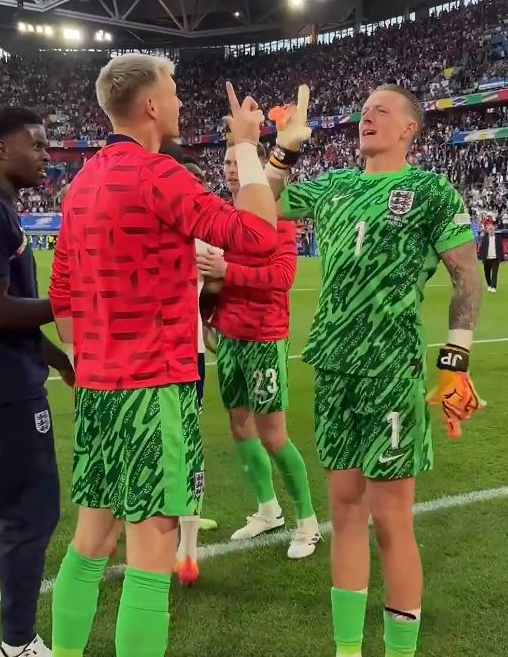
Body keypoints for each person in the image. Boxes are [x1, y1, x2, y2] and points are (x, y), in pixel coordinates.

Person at [48, 55, 278, 657]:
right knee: (152, 548)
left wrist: (88, 357)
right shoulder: (159, 175)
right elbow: (258, 233)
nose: (179, 102)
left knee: (91, 538)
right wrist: (249, 147)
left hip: (98, 389)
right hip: (155, 388)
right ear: (150, 105)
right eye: (173, 92)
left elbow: (62, 291)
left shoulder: (82, 183)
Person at [265, 84, 485, 656]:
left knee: (390, 520)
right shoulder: (335, 185)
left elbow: (466, 276)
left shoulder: (430, 190)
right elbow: (263, 205)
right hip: (334, 367)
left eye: (381, 111)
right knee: (343, 510)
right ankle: (346, 650)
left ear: (410, 128)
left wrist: (455, 359)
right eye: (362, 111)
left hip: (391, 368)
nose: (367, 118)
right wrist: (281, 149)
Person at [197, 143, 321, 559]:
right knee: (239, 426)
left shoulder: (276, 213)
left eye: (240, 162)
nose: (233, 170)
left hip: (265, 337)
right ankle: (268, 510)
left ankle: (307, 523)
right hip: (229, 337)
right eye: (228, 162)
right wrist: (209, 307)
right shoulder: (222, 217)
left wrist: (226, 272)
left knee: (273, 434)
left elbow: (284, 276)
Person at [0, 106, 74, 657]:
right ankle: (19, 644)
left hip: (9, 379)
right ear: (2, 148)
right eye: (37, 145)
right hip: (6, 397)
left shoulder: (4, 210)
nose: (47, 156)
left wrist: (60, 360)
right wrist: (71, 302)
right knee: (30, 512)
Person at [158, 142, 218, 587]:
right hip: (185, 351)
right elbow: (213, 284)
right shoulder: (200, 232)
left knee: (166, 447)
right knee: (183, 444)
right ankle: (186, 547)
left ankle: (180, 542)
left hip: (162, 353)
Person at [478, 221, 504, 292]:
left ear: (494, 230)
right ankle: (489, 285)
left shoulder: (498, 238)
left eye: (492, 229)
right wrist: (481, 258)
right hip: (487, 258)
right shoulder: (484, 238)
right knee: (487, 273)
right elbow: (482, 248)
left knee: (494, 273)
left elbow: (501, 248)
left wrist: (502, 258)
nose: (491, 231)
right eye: (489, 229)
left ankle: (493, 287)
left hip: (495, 258)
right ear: (487, 230)